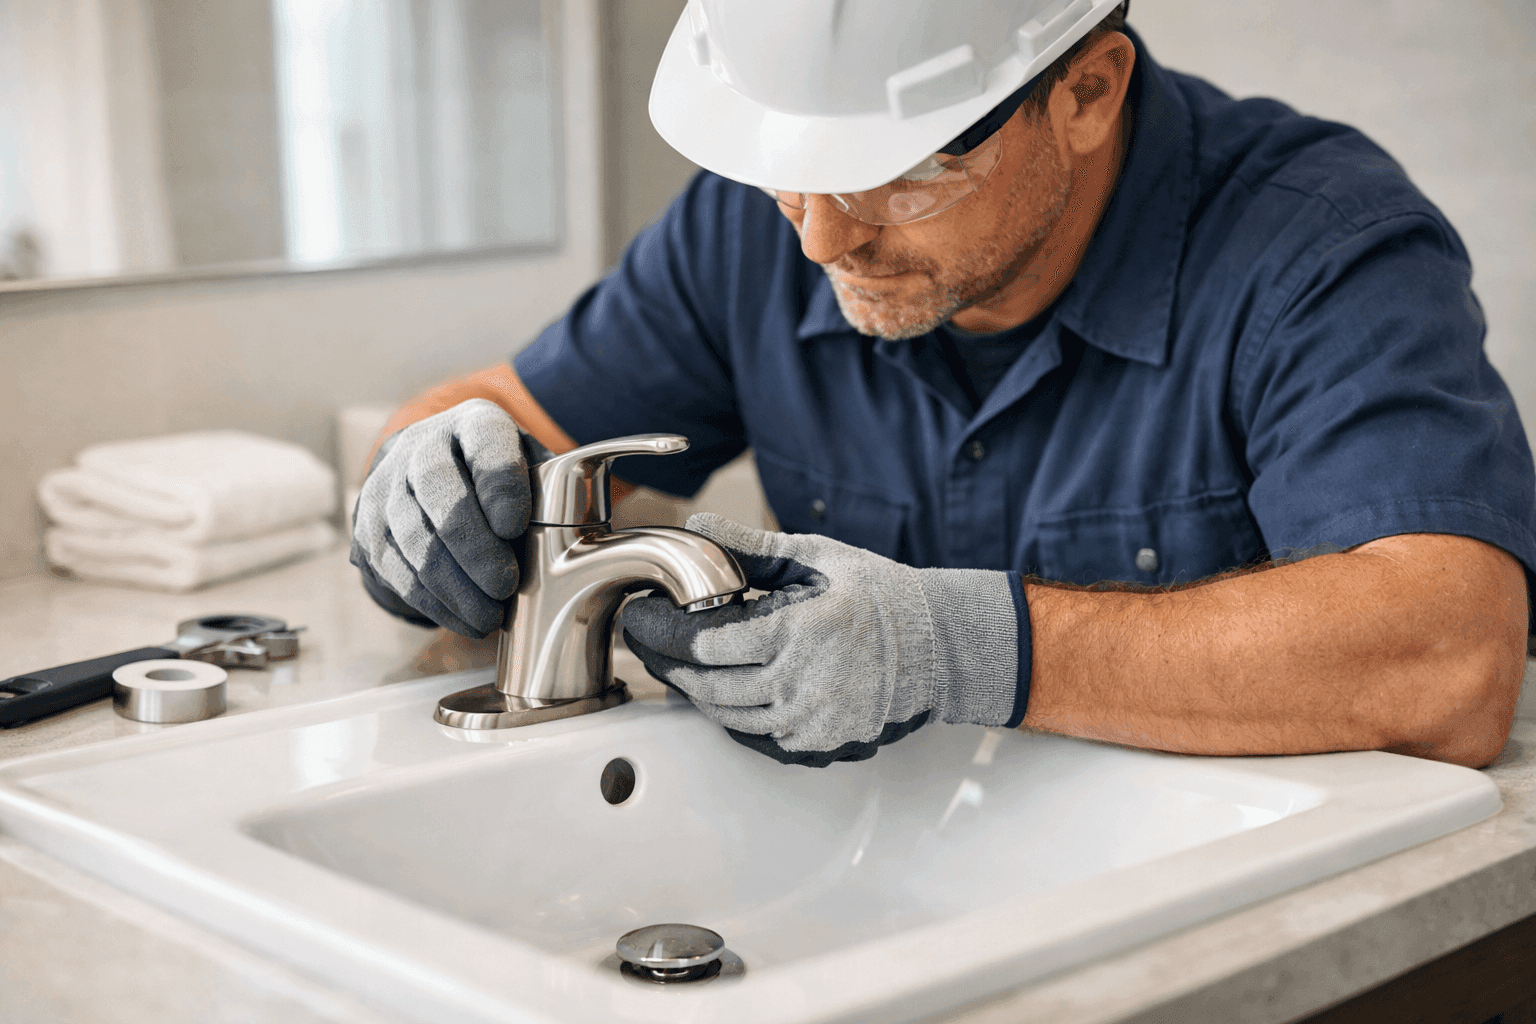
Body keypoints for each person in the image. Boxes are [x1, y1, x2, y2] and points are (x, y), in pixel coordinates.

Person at [352, 0, 1535, 769]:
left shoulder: (1319, 245)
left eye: (895, 175)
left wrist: (965, 646)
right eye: (787, 172)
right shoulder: (750, 229)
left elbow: (1451, 656)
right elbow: (499, 416)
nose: (820, 238)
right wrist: (418, 482)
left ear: (1087, 93)